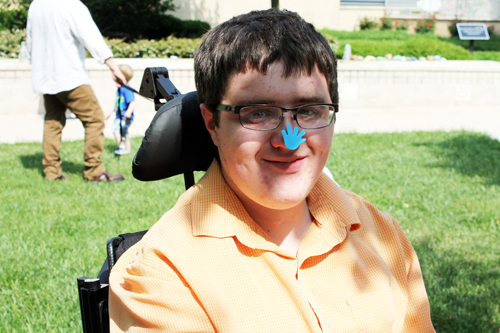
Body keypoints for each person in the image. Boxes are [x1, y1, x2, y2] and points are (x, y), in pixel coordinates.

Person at [109, 9, 435, 332]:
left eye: (308, 110)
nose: (289, 142)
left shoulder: (381, 233)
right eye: (258, 113)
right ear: (212, 123)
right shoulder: (161, 274)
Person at [26, 0, 125, 182]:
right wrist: (113, 67)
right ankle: (94, 171)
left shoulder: (36, 5)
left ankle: (51, 172)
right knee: (95, 119)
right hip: (69, 76)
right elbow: (91, 37)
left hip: (46, 75)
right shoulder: (71, 5)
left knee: (53, 122)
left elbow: (30, 40)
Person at [105, 64, 136, 156]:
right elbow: (116, 103)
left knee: (116, 131)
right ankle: (127, 150)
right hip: (119, 116)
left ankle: (121, 147)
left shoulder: (127, 90)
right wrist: (109, 113)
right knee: (124, 133)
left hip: (125, 117)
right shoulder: (119, 89)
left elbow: (132, 102)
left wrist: (129, 112)